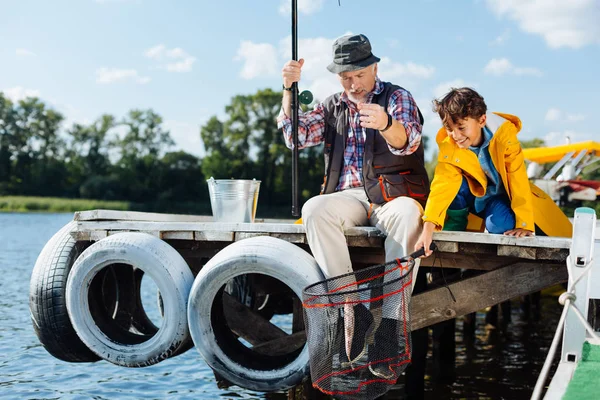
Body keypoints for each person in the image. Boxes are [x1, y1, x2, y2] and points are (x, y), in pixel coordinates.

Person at [278, 33, 429, 384]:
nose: (352, 83)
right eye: (345, 76)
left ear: (374, 67)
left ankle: (391, 325)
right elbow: (295, 137)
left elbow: (409, 140)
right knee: (314, 208)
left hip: (392, 197)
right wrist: (288, 91)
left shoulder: (396, 97)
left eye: (359, 74)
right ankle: (354, 310)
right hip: (348, 197)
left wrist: (387, 124)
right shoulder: (332, 105)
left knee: (410, 214)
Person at [415, 87, 572, 257]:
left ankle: (501, 221)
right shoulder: (450, 145)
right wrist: (428, 229)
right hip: (472, 196)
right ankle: (452, 229)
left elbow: (517, 178)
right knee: (453, 183)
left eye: (461, 128)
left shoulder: (505, 137)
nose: (455, 135)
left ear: (482, 120)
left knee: (499, 225)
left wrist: (524, 223)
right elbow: (442, 185)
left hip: (498, 197)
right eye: (449, 128)